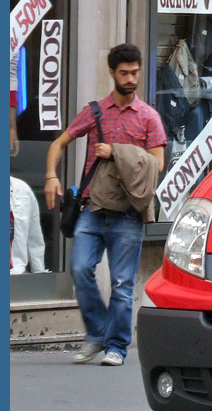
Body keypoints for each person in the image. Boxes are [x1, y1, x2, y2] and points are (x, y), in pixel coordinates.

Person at [44, 44, 167, 366]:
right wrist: (50, 176)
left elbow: (158, 164)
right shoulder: (95, 111)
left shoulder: (149, 117)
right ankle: (97, 335)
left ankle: (117, 346)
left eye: (135, 72)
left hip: (127, 214)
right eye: (124, 73)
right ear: (112, 73)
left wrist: (117, 152)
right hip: (92, 209)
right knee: (80, 269)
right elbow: (59, 142)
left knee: (123, 284)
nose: (130, 78)